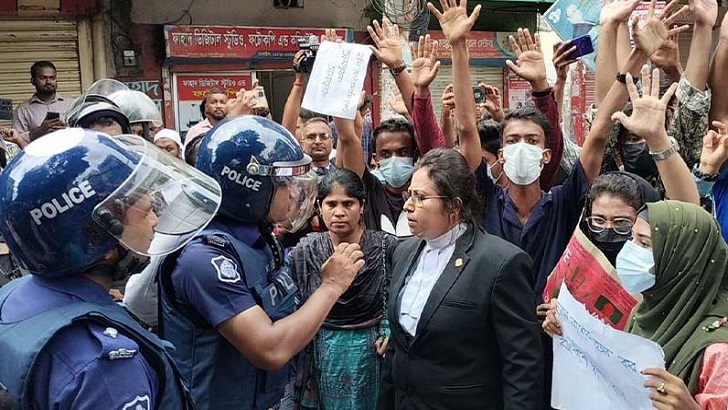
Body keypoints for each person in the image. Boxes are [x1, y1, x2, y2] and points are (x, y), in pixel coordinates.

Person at [0, 128, 223, 409]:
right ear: (98, 232)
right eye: (145, 210)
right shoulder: (106, 367)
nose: (155, 220)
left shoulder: (12, 296)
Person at [157, 116, 366, 410]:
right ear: (250, 187)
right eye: (284, 183)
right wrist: (331, 286)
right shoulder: (204, 259)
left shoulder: (258, 238)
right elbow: (271, 349)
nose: (293, 193)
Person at [377, 147, 544, 409]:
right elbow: (399, 348)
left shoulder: (499, 264)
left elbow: (522, 364)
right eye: (409, 195)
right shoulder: (404, 251)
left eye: (420, 197)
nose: (408, 205)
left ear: (454, 206)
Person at [544, 200, 728, 409]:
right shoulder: (645, 312)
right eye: (632, 238)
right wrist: (567, 330)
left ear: (682, 260)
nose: (630, 250)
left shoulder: (718, 351)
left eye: (645, 243)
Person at [290, 169, 397, 410]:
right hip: (321, 351)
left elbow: (401, 295)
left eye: (348, 203)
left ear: (362, 207)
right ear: (319, 207)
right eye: (331, 204)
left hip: (373, 351)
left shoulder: (385, 247)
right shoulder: (306, 251)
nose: (339, 212)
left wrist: (391, 331)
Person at [12, 61, 72, 143]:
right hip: (39, 155)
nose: (48, 82)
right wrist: (41, 130)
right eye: (43, 78)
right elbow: (16, 139)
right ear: (33, 80)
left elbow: (84, 130)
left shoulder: (71, 104)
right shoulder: (23, 110)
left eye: (52, 78)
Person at [184, 88, 229, 152]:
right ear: (206, 107)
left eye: (222, 102)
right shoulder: (195, 131)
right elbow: (188, 158)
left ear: (228, 106)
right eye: (213, 102)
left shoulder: (234, 128)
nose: (218, 106)